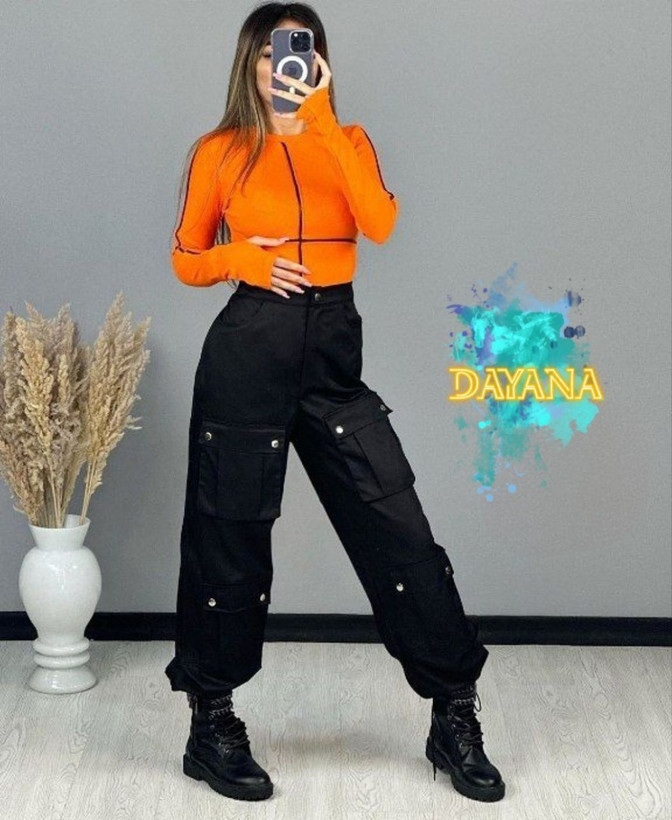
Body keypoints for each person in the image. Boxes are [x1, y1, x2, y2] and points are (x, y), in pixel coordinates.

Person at [164, 2, 505, 804]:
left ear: (318, 62)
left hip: (332, 356)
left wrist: (318, 118)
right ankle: (211, 724)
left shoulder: (347, 140)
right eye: (271, 53)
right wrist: (240, 260)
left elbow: (379, 223)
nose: (284, 66)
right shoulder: (219, 151)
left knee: (399, 530)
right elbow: (185, 258)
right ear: (249, 62)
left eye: (300, 51)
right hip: (248, 350)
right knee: (226, 539)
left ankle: (453, 713)